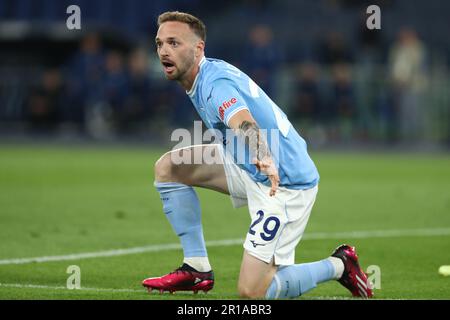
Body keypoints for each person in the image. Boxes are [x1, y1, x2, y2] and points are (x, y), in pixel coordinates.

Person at [142, 11, 373, 299]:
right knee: (169, 167)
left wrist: (263, 156)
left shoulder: (214, 84)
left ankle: (339, 265)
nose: (164, 50)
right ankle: (197, 268)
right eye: (160, 43)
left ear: (198, 48)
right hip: (247, 164)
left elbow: (244, 120)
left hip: (282, 183)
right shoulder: (204, 74)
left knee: (252, 294)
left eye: (174, 43)